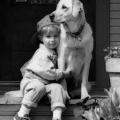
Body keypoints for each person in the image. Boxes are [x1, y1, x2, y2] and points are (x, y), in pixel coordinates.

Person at [13, 15, 70, 120]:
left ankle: (57, 116)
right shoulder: (42, 53)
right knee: (38, 86)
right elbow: (48, 73)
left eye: (55, 36)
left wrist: (64, 90)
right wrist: (61, 73)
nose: (52, 40)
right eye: (48, 37)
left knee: (57, 88)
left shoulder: (56, 53)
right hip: (32, 82)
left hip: (46, 85)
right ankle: (21, 114)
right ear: (41, 38)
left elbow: (59, 78)